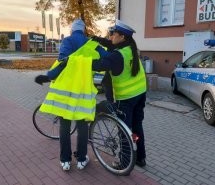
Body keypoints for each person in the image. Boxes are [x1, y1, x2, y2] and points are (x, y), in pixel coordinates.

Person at [35, 19, 107, 171]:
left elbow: (62, 64)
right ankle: (81, 160)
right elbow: (106, 59)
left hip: (65, 92)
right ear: (84, 30)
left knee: (65, 127)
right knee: (82, 127)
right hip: (83, 92)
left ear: (72, 30)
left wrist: (48, 76)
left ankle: (65, 161)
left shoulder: (67, 41)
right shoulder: (92, 44)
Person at [92, 19, 147, 167]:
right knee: (137, 127)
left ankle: (124, 162)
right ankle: (140, 158)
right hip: (140, 94)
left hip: (126, 98)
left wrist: (77, 61)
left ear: (122, 36)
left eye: (113, 33)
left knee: (124, 131)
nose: (110, 36)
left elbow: (96, 64)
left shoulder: (117, 55)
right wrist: (96, 40)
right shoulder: (131, 48)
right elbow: (109, 44)